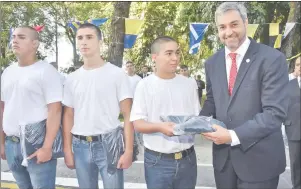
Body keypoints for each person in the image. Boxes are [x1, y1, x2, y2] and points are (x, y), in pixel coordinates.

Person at [199, 2, 289, 189]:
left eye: (234, 24)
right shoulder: (212, 63)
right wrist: (197, 122)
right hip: (224, 163)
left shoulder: (272, 59)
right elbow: (212, 101)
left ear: (246, 22)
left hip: (260, 164)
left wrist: (232, 135)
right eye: (222, 27)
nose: (228, 32)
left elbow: (274, 114)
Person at [62, 23, 134, 189]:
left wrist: (128, 150)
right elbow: (68, 115)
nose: (84, 42)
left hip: (109, 143)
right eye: (80, 38)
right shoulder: (71, 79)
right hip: (80, 146)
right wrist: (67, 149)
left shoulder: (117, 74)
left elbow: (128, 114)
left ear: (100, 41)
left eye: (89, 37)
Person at [130, 36, 200, 189]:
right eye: (169, 53)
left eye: (177, 53)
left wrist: (200, 126)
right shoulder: (144, 85)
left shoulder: (189, 83)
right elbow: (138, 123)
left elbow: (196, 117)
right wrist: (161, 127)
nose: (175, 58)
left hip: (187, 159)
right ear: (155, 57)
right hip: (158, 161)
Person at [0, 26, 63, 189]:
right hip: (11, 143)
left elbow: (55, 110)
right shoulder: (7, 72)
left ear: (35, 43)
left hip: (37, 145)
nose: (14, 40)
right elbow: (2, 108)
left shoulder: (46, 71)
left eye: (21, 37)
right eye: (13, 37)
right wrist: (2, 143)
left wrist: (47, 147)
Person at [284, 56, 300, 189]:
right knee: (295, 162)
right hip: (294, 129)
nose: (300, 67)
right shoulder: (288, 84)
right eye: (298, 65)